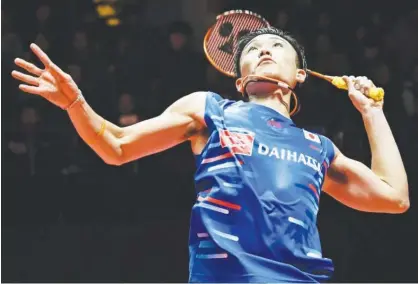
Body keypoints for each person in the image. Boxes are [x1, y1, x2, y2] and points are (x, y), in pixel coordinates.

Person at [11, 27, 409, 283]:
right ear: (240, 80)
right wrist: (75, 103)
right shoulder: (211, 111)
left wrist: (372, 113)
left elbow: (394, 197)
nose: (264, 50)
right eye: (253, 49)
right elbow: (116, 146)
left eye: (276, 46)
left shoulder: (318, 147)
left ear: (300, 76)